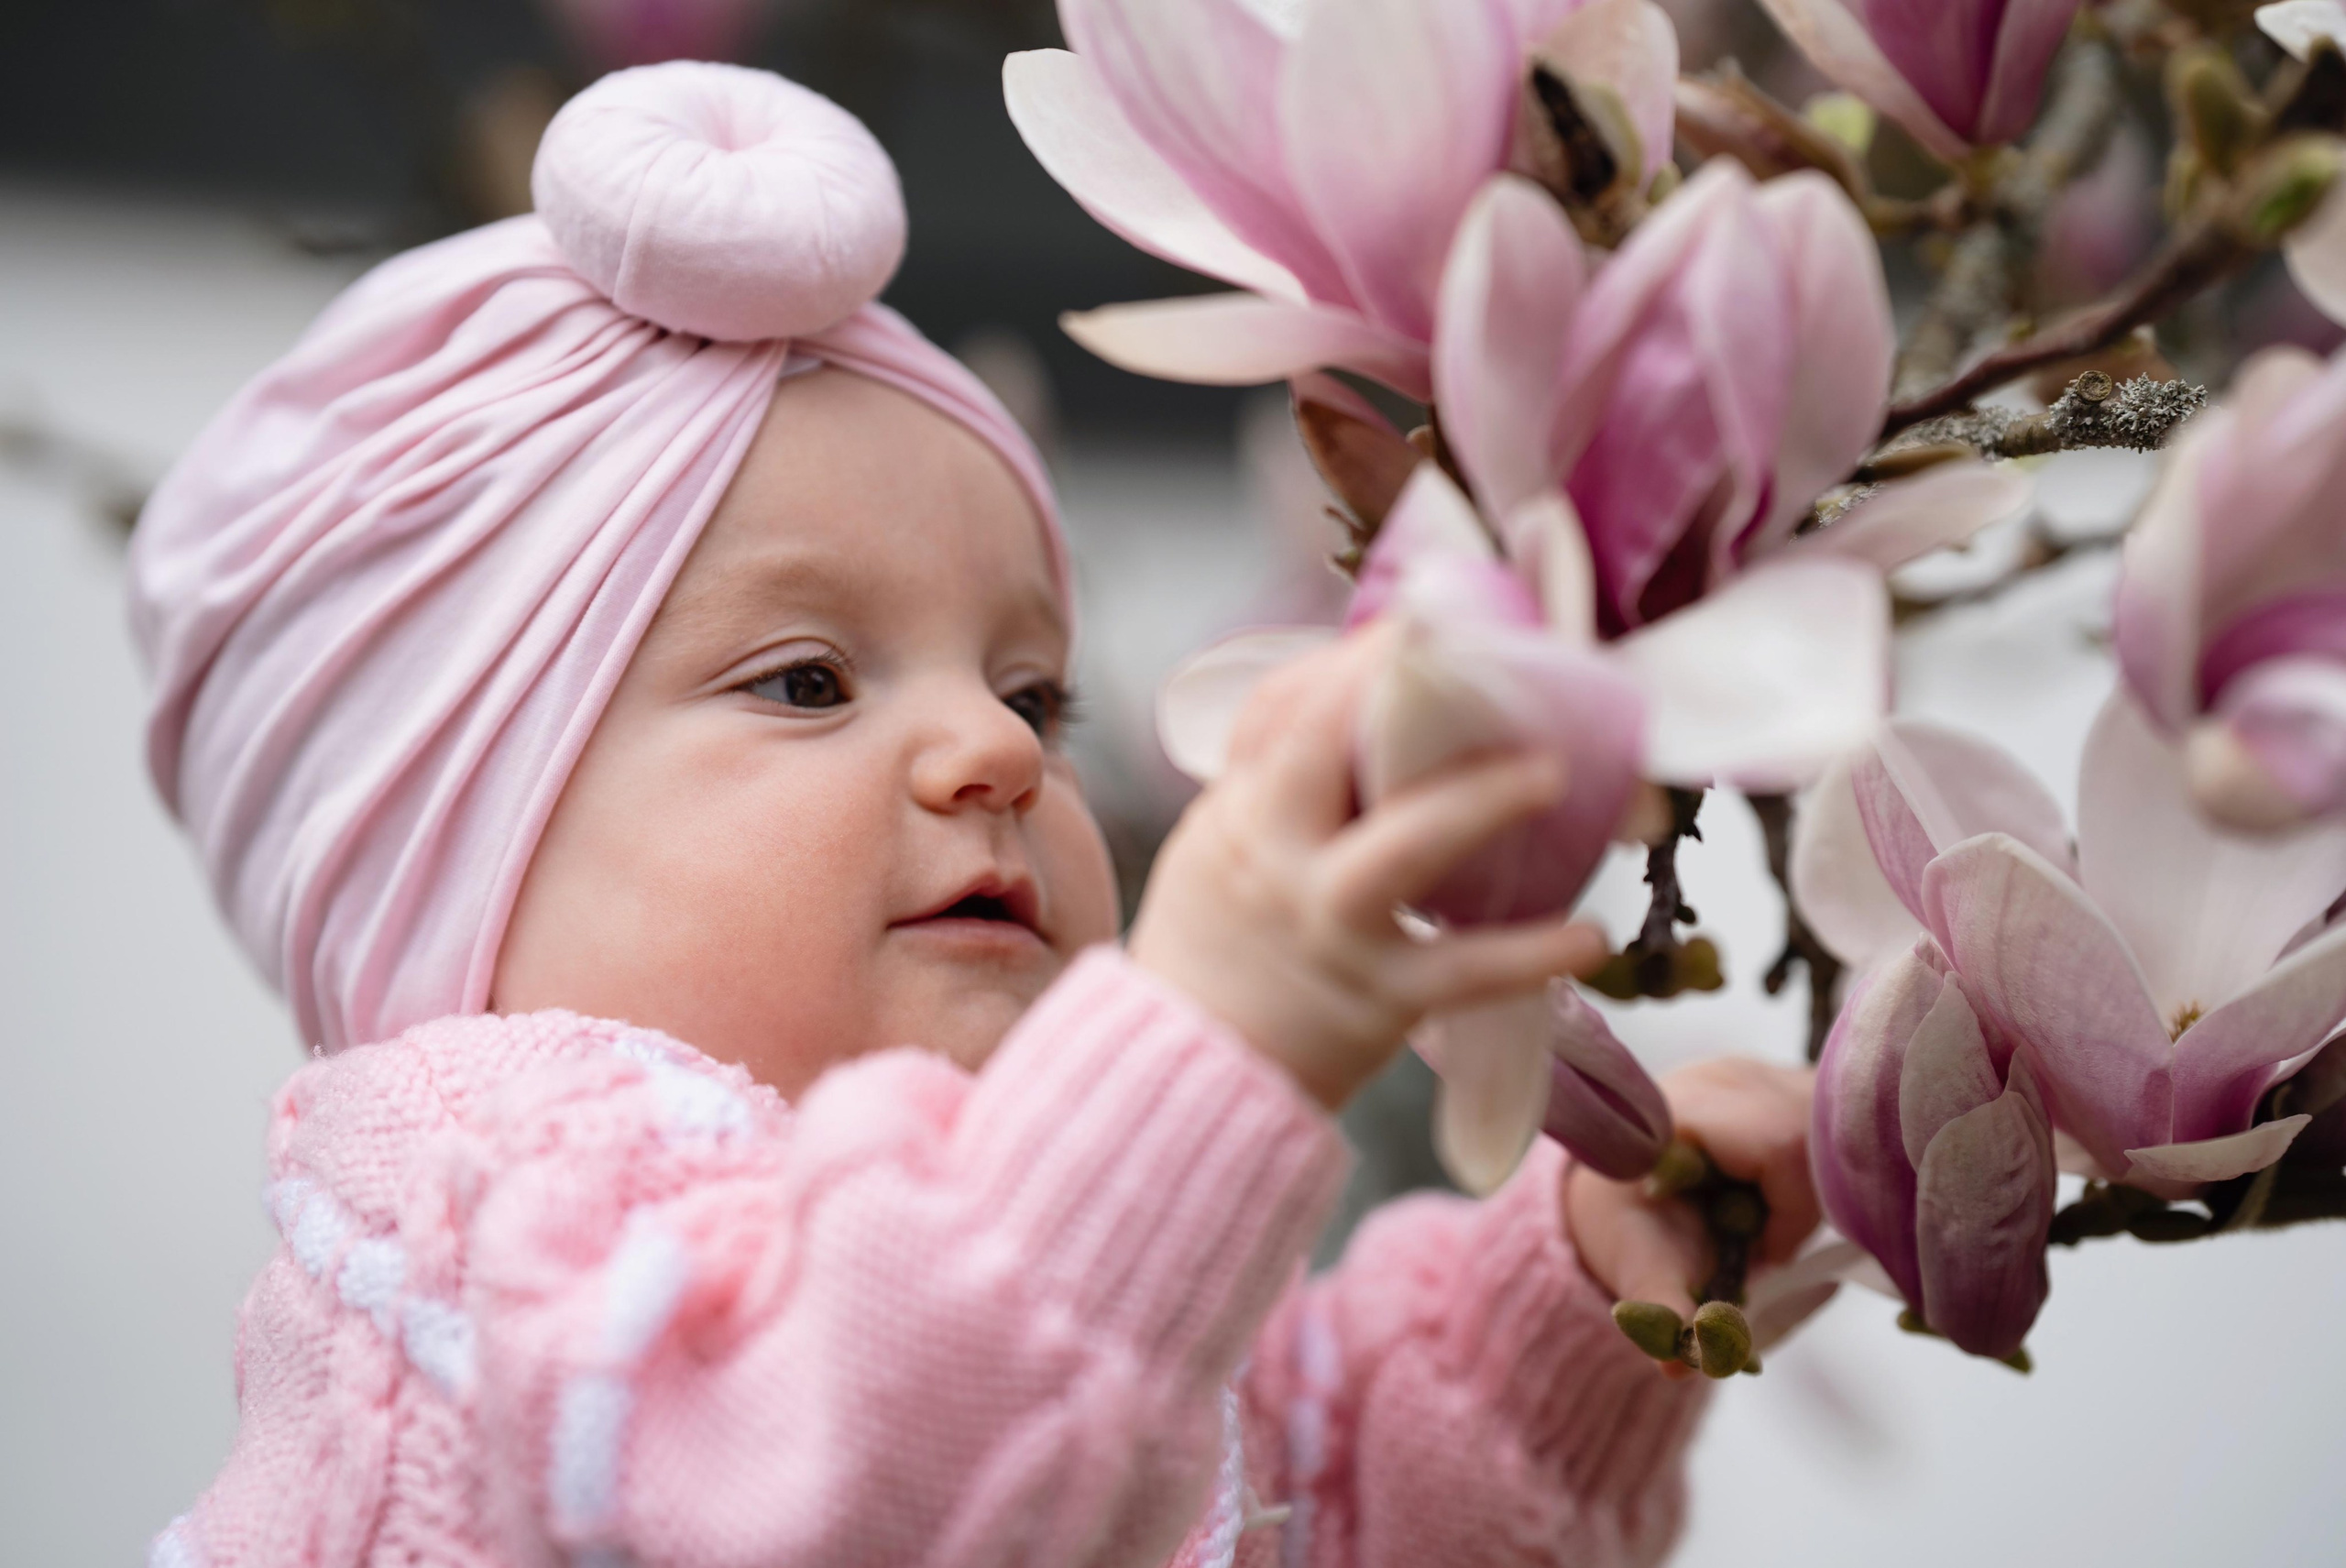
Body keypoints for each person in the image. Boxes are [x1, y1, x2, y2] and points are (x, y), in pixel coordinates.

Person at [130, 60, 1817, 1568]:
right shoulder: (480, 1203)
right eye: (806, 682)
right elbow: (837, 1490)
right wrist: (1209, 1042)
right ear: (449, 863)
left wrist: (1565, 1316)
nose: (995, 751)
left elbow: (1282, 1492)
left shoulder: (1066, 1295)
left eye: (1036, 696)